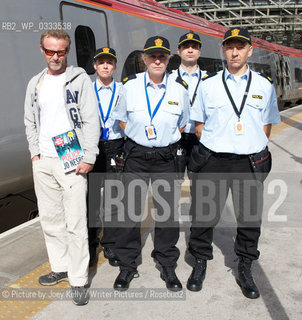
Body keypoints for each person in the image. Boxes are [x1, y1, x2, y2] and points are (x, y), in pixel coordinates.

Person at [187, 27, 280, 299]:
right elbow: (199, 126)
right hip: (213, 161)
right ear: (223, 50)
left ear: (250, 50)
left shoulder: (264, 86)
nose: (235, 51)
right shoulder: (208, 86)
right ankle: (200, 261)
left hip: (248, 163)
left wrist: (246, 145)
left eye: (240, 46)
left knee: (249, 219)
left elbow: (266, 127)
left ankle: (245, 265)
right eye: (230, 46)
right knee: (203, 217)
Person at [24, 30, 100, 305]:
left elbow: (91, 119)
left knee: (76, 221)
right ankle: (60, 267)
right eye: (49, 51)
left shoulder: (79, 79)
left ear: (67, 52)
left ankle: (78, 280)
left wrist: (89, 155)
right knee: (51, 219)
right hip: (44, 157)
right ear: (42, 50)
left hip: (69, 152)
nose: (55, 57)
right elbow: (30, 120)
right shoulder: (36, 82)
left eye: (60, 52)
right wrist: (35, 153)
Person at [111, 36, 190, 291]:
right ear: (144, 59)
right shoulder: (129, 86)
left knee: (167, 214)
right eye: (152, 56)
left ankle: (167, 264)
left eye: (162, 56)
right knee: (129, 212)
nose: (157, 60)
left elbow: (182, 123)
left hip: (166, 157)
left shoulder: (179, 90)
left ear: (168, 60)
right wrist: (140, 137)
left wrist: (161, 140)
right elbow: (122, 120)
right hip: (135, 156)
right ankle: (127, 265)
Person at [88, 47, 125, 267]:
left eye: (109, 62)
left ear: (115, 65)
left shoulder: (123, 90)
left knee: (113, 197)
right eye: (101, 62)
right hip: (93, 146)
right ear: (95, 66)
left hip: (116, 146)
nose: (105, 66)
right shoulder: (88, 90)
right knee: (92, 198)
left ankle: (109, 242)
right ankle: (92, 243)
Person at [172, 31, 207, 174]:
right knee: (171, 185)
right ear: (179, 51)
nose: (190, 50)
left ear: (199, 51)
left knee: (201, 187)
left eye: (194, 46)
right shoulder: (170, 79)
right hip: (177, 139)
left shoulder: (209, 80)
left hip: (201, 140)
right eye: (186, 47)